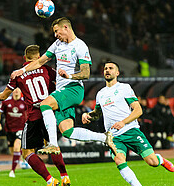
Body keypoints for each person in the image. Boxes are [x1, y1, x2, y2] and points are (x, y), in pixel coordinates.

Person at [11, 17, 112, 155]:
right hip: (62, 92)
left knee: (45, 104)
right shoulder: (57, 44)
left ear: (66, 27)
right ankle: (104, 137)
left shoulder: (80, 46)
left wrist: (69, 76)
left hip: (73, 89)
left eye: (57, 31)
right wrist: (22, 70)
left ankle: (53, 144)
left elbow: (86, 73)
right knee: (67, 131)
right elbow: (40, 61)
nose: (55, 35)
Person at [81, 61, 174, 186]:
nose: (107, 70)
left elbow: (138, 110)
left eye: (111, 68)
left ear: (117, 73)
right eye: (105, 68)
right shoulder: (100, 94)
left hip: (131, 130)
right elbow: (97, 113)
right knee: (119, 160)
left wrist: (123, 122)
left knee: (152, 162)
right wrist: (88, 115)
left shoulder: (125, 88)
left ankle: (159, 159)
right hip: (113, 136)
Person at [0, 45, 70, 186]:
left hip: (34, 116)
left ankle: (49, 179)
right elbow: (61, 84)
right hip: (49, 113)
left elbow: (3, 96)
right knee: (52, 145)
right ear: (39, 56)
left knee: (26, 152)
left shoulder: (18, 74)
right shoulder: (47, 69)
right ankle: (64, 175)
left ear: (25, 57)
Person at [0, 88, 27, 178]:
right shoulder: (6, 102)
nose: (16, 90)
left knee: (17, 147)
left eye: (18, 89)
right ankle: (22, 159)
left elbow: (28, 114)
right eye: (15, 89)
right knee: (12, 151)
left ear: (21, 91)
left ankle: (12, 170)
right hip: (9, 130)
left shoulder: (24, 102)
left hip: (20, 129)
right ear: (12, 91)